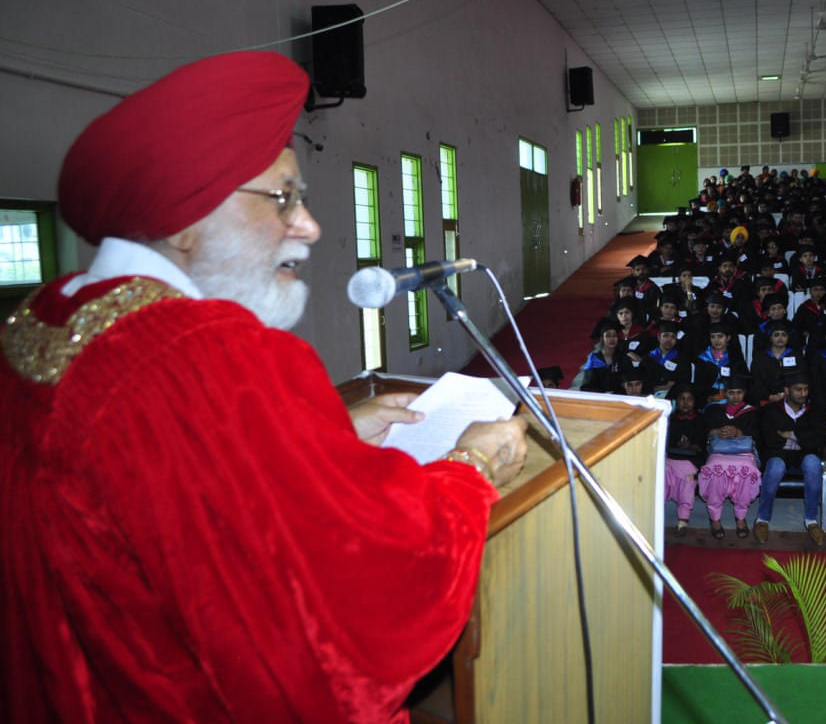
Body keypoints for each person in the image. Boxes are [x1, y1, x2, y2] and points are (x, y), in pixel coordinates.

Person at [0, 51, 530, 723]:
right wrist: (472, 466)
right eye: (283, 197)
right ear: (185, 218)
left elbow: (173, 492)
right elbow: (350, 609)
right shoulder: (211, 352)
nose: (307, 226)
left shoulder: (48, 318)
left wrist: (327, 432)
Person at [754, 372, 826, 546]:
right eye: (798, 390)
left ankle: (811, 520)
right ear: (787, 390)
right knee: (775, 467)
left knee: (813, 464)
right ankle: (762, 519)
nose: (803, 394)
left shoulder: (815, 410)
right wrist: (800, 439)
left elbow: (819, 439)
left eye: (806, 389)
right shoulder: (770, 410)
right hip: (778, 454)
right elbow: (766, 437)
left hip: (804, 454)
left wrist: (791, 435)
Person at [698, 374, 762, 539]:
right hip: (719, 452)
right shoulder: (714, 409)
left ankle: (741, 517)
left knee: (747, 470)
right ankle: (715, 518)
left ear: (745, 392)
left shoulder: (752, 412)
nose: (735, 397)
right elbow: (704, 432)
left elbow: (757, 435)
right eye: (731, 392)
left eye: (739, 392)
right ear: (725, 393)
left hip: (744, 453)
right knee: (714, 470)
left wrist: (739, 432)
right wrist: (716, 432)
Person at [666, 384, 706, 536]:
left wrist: (692, 445)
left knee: (689, 476)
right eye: (682, 399)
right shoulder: (669, 419)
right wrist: (676, 444)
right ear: (676, 401)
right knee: (663, 472)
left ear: (694, 402)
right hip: (671, 458)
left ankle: (683, 520)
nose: (685, 402)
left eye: (689, 399)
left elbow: (703, 446)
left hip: (692, 460)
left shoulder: (701, 420)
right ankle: (656, 515)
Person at [575, 317, 627, 393]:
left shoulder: (622, 357)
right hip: (600, 398)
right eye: (608, 336)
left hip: (619, 397)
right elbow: (587, 385)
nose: (612, 339)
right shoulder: (594, 359)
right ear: (602, 338)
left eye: (614, 336)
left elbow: (628, 381)